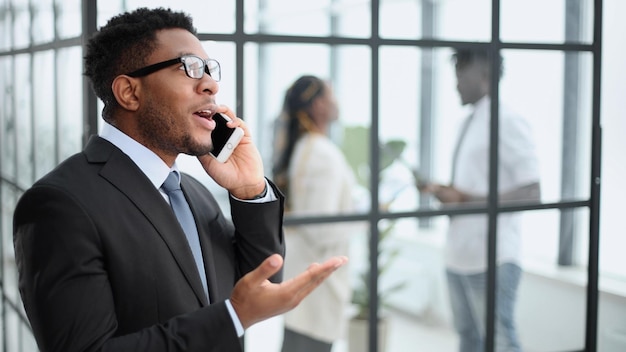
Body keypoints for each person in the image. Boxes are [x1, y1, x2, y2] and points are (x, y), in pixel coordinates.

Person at [12, 8, 347, 352]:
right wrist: (231, 317)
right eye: (189, 68)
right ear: (129, 92)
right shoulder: (60, 204)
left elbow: (259, 283)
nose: (211, 84)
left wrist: (250, 191)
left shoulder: (194, 193)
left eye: (209, 69)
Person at [419, 48, 541, 352]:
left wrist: (464, 198)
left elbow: (532, 192)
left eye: (461, 73)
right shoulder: (468, 121)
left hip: (492, 258)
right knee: (468, 341)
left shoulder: (508, 121)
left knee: (499, 340)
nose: (456, 83)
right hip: (459, 256)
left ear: (485, 74)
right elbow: (473, 188)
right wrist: (446, 192)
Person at [272, 75, 359, 352]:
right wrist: (364, 216)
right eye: (331, 96)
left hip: (305, 279)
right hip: (316, 283)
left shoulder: (306, 147)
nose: (336, 103)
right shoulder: (322, 153)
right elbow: (323, 229)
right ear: (318, 105)